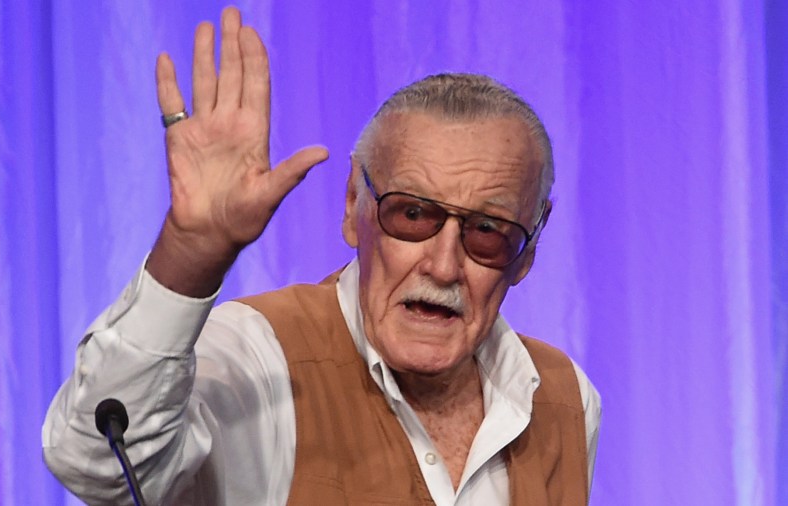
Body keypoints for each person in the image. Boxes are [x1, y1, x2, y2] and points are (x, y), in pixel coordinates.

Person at [43, 6, 600, 506]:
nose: (443, 265)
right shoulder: (257, 360)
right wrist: (192, 252)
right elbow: (95, 464)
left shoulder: (564, 398)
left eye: (486, 230)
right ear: (353, 206)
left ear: (528, 249)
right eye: (411, 215)